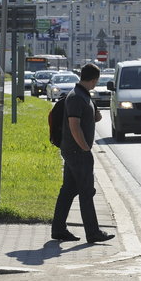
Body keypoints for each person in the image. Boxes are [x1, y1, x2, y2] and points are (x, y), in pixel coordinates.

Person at [51, 63, 114, 243]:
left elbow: (95, 117)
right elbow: (74, 125)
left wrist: (94, 112)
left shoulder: (83, 95)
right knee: (87, 191)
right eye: (97, 80)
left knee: (69, 190)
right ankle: (93, 232)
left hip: (73, 150)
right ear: (94, 79)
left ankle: (58, 229)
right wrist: (85, 148)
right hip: (77, 151)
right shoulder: (77, 97)